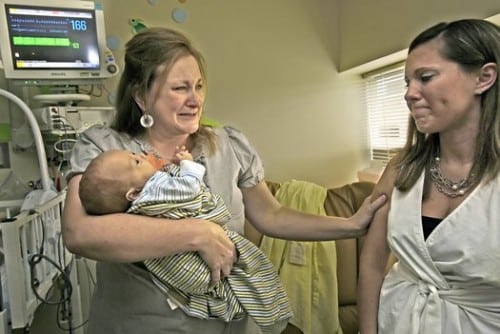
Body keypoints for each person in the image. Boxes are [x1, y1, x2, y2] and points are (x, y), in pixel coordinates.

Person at [61, 27, 386, 334]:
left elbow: (271, 215)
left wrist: (350, 225)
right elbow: (79, 233)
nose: (195, 99)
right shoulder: (107, 151)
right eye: (179, 88)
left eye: (198, 86)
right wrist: (196, 233)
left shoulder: (226, 145)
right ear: (142, 98)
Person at [357, 19, 500, 334]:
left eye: (425, 77)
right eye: (407, 82)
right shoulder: (400, 168)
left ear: (484, 77)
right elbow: (373, 263)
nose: (409, 94)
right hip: (399, 320)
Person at [78, 147, 293, 333]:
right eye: (136, 161)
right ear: (133, 195)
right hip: (147, 317)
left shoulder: (137, 200)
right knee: (255, 273)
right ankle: (272, 313)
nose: (142, 156)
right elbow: (188, 189)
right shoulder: (155, 190)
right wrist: (187, 165)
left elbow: (271, 214)